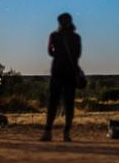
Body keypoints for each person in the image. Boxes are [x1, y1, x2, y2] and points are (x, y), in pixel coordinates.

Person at [40, 12, 81, 142]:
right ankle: (66, 132)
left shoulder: (54, 35)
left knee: (53, 103)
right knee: (68, 104)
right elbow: (77, 54)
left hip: (57, 71)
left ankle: (48, 131)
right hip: (69, 72)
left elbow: (50, 52)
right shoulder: (75, 37)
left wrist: (58, 52)